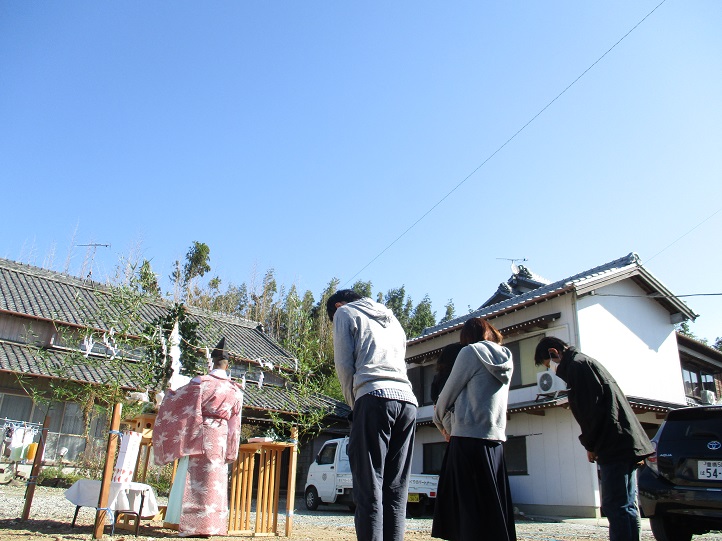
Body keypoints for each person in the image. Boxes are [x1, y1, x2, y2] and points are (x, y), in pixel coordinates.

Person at [533, 337, 653, 541]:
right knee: (627, 505)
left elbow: (591, 412)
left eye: (548, 364)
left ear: (554, 353)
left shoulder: (577, 367)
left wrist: (590, 444)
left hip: (612, 443)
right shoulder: (586, 362)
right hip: (625, 440)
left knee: (615, 506)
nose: (551, 369)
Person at [327, 289, 418, 541]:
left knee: (369, 486)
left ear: (338, 305)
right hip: (408, 401)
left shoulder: (344, 313)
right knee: (396, 487)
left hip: (373, 396)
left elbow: (345, 366)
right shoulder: (392, 318)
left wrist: (354, 404)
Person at [432, 317, 516, 541]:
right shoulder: (507, 357)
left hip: (467, 437)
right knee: (492, 506)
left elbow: (447, 394)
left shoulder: (469, 353)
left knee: (467, 508)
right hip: (495, 439)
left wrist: (440, 420)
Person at [154, 337, 244, 538]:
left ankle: (192, 526)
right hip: (220, 435)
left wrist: (166, 396)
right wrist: (231, 449)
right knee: (216, 481)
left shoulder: (200, 382)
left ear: (211, 362)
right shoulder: (235, 389)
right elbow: (234, 424)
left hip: (201, 432)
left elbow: (178, 403)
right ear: (228, 364)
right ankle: (213, 526)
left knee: (197, 479)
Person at [430, 342, 464, 438]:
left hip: (444, 418)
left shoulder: (438, 377)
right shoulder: (458, 376)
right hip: (458, 417)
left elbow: (433, 398)